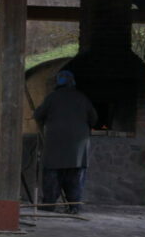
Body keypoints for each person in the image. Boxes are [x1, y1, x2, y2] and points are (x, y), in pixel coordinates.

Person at [33, 70, 98, 214]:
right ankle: (74, 206)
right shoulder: (83, 98)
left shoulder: (52, 98)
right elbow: (94, 119)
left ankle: (49, 205)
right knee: (75, 179)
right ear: (72, 82)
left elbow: (38, 115)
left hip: (55, 148)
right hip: (78, 151)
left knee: (52, 177)